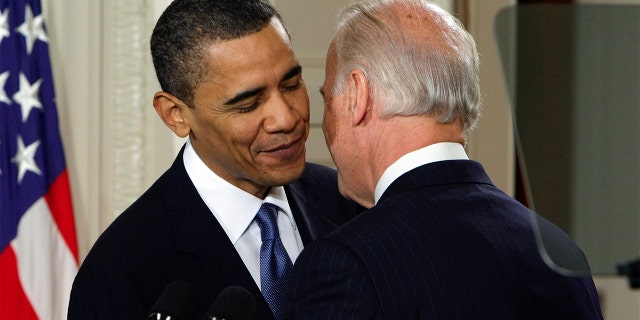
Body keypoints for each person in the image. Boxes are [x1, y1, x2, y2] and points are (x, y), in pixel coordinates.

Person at [285, 0, 604, 319]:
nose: (323, 123)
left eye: (328, 99)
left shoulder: (347, 264)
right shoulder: (561, 251)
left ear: (358, 95)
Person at [67, 0, 359, 319]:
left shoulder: (349, 202)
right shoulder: (119, 270)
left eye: (291, 84)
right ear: (176, 115)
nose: (286, 119)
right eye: (248, 104)